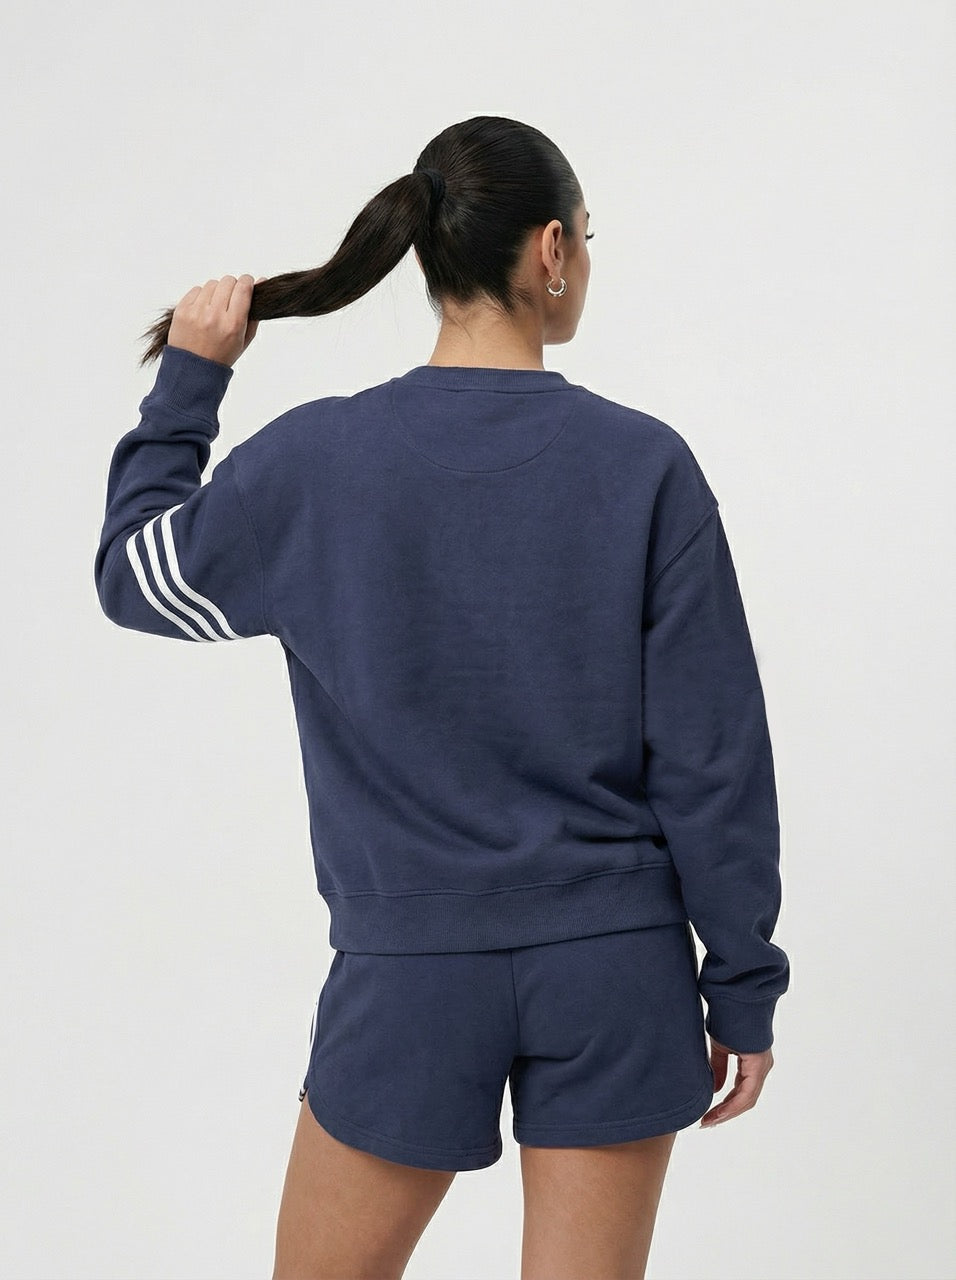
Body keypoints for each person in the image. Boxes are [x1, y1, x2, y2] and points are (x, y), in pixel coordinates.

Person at [93, 114, 789, 1280]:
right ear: (551, 249)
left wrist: (192, 383)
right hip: (614, 968)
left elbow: (135, 574)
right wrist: (740, 982)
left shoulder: (316, 460)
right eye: (587, 238)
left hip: (409, 967)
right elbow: (711, 758)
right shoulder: (643, 464)